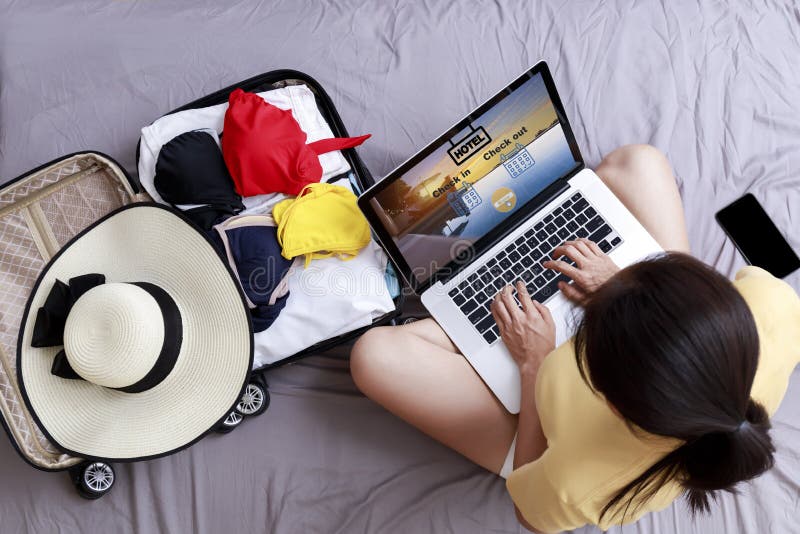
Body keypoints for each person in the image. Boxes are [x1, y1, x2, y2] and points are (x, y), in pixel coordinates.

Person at [349, 145, 800, 532]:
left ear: (610, 398)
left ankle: (470, 330)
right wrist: (619, 280)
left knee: (373, 356)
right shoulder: (774, 307)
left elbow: (529, 514)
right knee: (638, 162)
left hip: (539, 422)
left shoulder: (579, 482)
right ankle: (468, 322)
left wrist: (534, 366)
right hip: (657, 356)